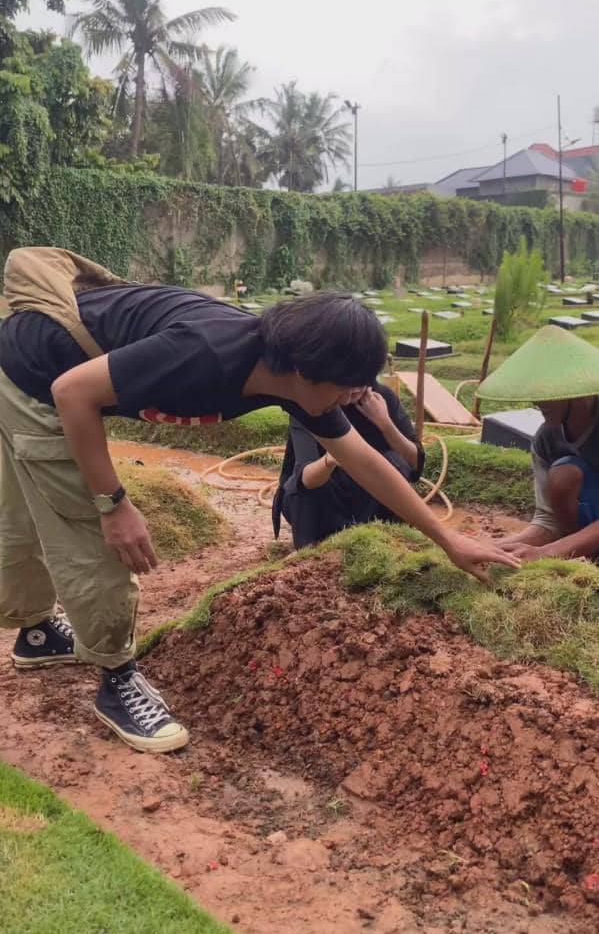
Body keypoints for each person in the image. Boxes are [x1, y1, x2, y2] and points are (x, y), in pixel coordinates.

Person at [0, 280, 518, 754]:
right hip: (35, 375)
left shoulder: (293, 378)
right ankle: (117, 679)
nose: (352, 399)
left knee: (20, 511)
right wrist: (113, 503)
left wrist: (449, 540)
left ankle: (37, 632)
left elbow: (365, 460)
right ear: (305, 370)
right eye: (347, 388)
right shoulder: (207, 355)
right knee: (87, 521)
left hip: (29, 357)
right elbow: (72, 392)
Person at [476, 323, 599, 561]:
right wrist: (495, 547)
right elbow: (548, 519)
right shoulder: (546, 440)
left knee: (566, 473)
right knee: (562, 472)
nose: (538, 401)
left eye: (548, 391)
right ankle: (591, 554)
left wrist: (547, 553)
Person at [273, 383, 424, 548]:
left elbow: (415, 465)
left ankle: (389, 540)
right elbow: (306, 481)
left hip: (367, 495)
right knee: (309, 489)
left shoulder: (381, 398)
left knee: (394, 462)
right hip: (323, 496)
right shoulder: (312, 402)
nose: (356, 387)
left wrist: (385, 423)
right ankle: (316, 551)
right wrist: (331, 459)